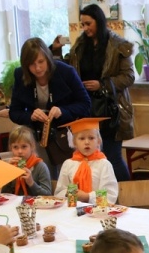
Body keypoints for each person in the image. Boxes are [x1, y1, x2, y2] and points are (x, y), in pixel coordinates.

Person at [65, 4, 136, 183]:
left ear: (99, 21)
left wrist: (102, 85)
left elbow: (129, 76)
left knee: (112, 157)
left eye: (89, 24)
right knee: (91, 158)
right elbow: (67, 69)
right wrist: (55, 49)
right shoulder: (80, 45)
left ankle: (127, 194)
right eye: (83, 24)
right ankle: (99, 194)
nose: (85, 28)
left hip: (111, 109)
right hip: (87, 109)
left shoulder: (118, 45)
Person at [9, 37, 91, 176]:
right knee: (44, 175)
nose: (38, 68)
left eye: (41, 62)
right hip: (37, 135)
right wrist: (30, 116)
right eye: (32, 64)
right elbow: (14, 112)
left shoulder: (66, 72)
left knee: (68, 175)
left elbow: (85, 104)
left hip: (64, 134)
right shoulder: (20, 74)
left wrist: (62, 111)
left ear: (48, 58)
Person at [54, 118, 118, 204]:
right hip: (73, 209)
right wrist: (73, 194)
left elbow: (110, 195)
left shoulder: (104, 164)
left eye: (91, 138)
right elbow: (59, 193)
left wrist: (87, 197)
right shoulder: (68, 164)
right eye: (82, 138)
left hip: (97, 210)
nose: (87, 142)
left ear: (98, 141)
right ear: (74, 142)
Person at [1, 125, 52, 196]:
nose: (20, 151)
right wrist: (7, 175)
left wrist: (31, 183)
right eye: (15, 147)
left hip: (35, 203)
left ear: (32, 146)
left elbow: (48, 195)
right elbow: (2, 194)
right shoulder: (11, 166)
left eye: (24, 146)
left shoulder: (40, 166)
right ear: (11, 148)